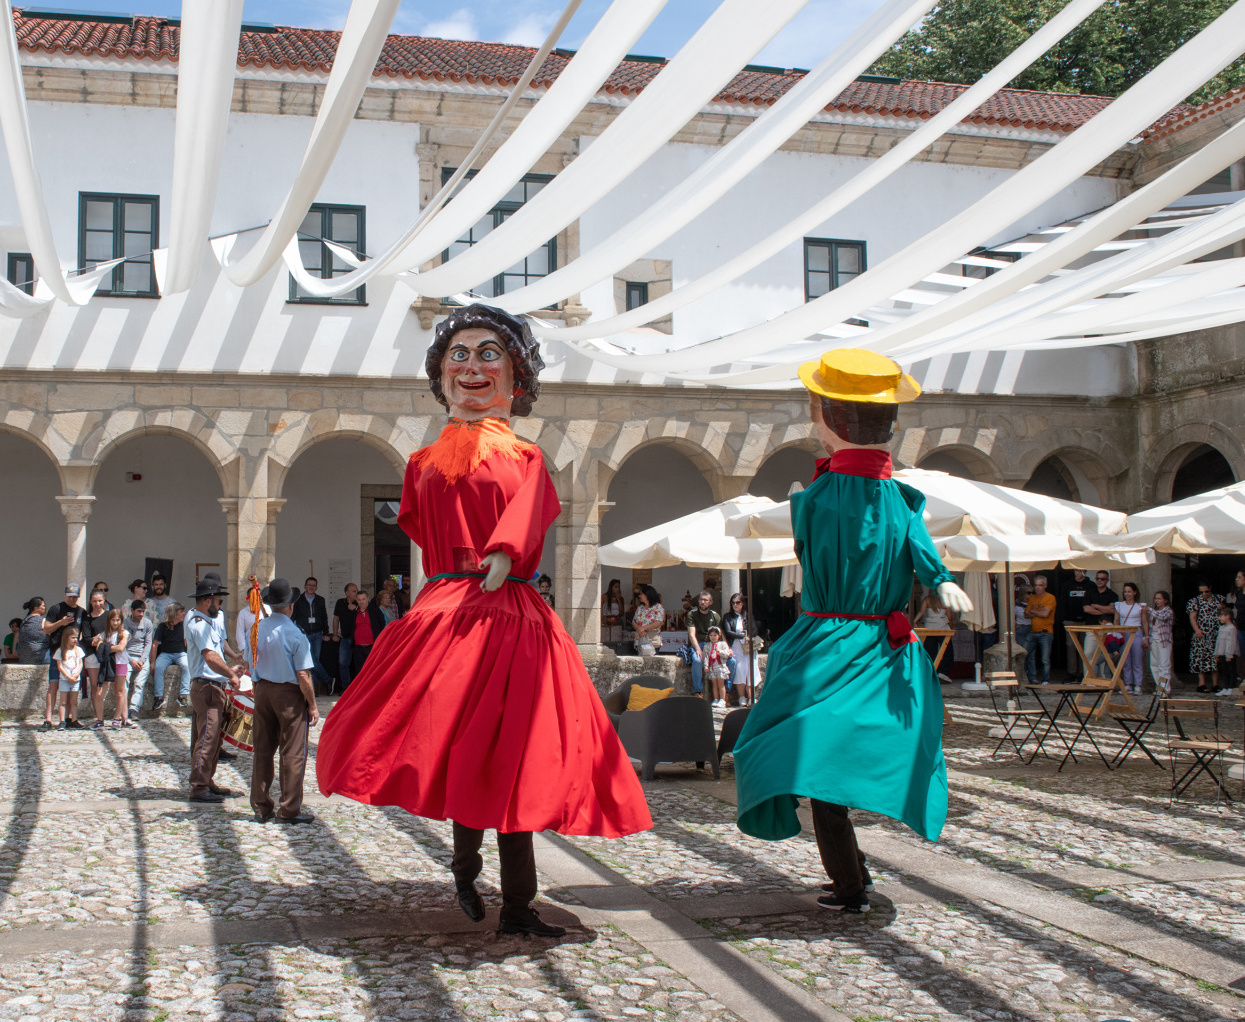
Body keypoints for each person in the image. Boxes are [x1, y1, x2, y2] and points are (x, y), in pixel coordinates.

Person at [317, 302, 651, 938]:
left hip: (509, 612)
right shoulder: (419, 464)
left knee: (514, 756)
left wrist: (501, 550)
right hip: (450, 608)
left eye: (488, 354)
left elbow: (529, 512)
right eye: (459, 355)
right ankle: (469, 870)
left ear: (516, 378)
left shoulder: (525, 456)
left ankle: (517, 904)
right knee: (460, 747)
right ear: (441, 375)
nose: (471, 366)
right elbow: (421, 527)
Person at [733, 348, 972, 915]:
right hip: (869, 648)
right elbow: (917, 549)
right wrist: (939, 581)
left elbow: (905, 549)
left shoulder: (813, 501)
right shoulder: (897, 499)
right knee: (814, 765)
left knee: (797, 761)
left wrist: (938, 578)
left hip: (827, 648)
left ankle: (850, 883)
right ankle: (851, 877)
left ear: (824, 417)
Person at [249, 578, 320, 825]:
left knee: (263, 750)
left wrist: (258, 687)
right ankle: (289, 808)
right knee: (292, 753)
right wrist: (312, 704)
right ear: (290, 606)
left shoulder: (257, 629)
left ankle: (261, 806)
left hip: (263, 690)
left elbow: (252, 664)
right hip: (288, 694)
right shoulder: (295, 634)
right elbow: (303, 675)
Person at [184, 576, 243, 803]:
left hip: (211, 685)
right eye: (218, 602)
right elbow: (209, 656)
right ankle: (199, 787)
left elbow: (216, 653)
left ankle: (207, 781)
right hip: (206, 687)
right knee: (208, 738)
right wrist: (230, 674)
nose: (220, 607)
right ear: (208, 601)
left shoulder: (206, 623)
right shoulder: (199, 625)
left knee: (213, 737)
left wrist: (229, 669)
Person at [43, 585, 84, 728]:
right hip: (57, 652)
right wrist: (61, 622)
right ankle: (48, 719)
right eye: (69, 596)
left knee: (71, 688)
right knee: (53, 685)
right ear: (65, 595)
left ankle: (68, 719)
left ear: (78, 596)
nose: (72, 598)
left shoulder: (81, 611)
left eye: (75, 596)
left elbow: (83, 633)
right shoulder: (56, 609)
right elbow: (46, 629)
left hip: (73, 654)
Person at [688, 590, 733, 697]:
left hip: (714, 645)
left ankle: (726, 692)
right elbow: (691, 634)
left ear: (710, 602)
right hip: (698, 644)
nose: (703, 602)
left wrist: (727, 648)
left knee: (733, 661)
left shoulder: (715, 616)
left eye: (705, 600)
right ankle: (698, 691)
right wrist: (698, 649)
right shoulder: (692, 614)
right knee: (697, 660)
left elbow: (720, 635)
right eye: (701, 600)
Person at [290, 576, 331, 691]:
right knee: (310, 660)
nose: (311, 587)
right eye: (309, 585)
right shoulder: (298, 600)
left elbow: (324, 617)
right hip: (304, 635)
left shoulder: (320, 600)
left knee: (314, 660)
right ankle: (326, 679)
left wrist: (326, 632)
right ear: (305, 586)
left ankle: (313, 684)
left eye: (313, 586)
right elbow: (293, 617)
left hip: (317, 634)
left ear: (316, 588)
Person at [1110, 583, 1148, 695]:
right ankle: (1128, 684)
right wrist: (1116, 634)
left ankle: (1138, 685)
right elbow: (1116, 621)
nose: (1127, 594)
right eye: (1125, 592)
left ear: (1135, 592)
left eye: (1129, 591)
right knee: (1125, 659)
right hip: (1123, 633)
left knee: (1137, 658)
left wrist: (1146, 636)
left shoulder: (1140, 606)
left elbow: (1144, 621)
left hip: (1136, 632)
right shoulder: (1119, 605)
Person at [79, 589, 110, 726]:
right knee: (94, 685)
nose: (97, 603)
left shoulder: (109, 615)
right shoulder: (87, 618)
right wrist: (95, 640)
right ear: (90, 602)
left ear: (104, 601)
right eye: (94, 601)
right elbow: (85, 638)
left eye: (100, 601)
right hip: (92, 655)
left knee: (105, 687)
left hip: (107, 654)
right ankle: (99, 717)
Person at [97, 608, 132, 728]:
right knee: (101, 692)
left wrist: (105, 647)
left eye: (118, 620)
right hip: (108, 664)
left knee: (120, 691)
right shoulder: (104, 634)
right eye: (113, 620)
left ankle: (117, 718)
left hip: (121, 663)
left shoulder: (124, 633)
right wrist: (109, 647)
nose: (115, 623)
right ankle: (99, 719)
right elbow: (98, 648)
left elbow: (121, 648)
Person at [151, 602, 189, 712]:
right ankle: (158, 697)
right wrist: (152, 662)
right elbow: (155, 644)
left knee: (187, 665)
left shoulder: (184, 626)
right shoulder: (162, 626)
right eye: (181, 612)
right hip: (166, 653)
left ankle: (183, 695)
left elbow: (188, 642)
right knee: (158, 667)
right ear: (174, 614)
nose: (183, 613)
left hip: (180, 653)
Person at [1082, 571, 1119, 680]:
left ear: (1107, 580)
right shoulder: (1089, 592)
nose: (1099, 581)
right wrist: (1104, 610)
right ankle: (1089, 680)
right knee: (1088, 653)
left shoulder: (1112, 595)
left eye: (1102, 579)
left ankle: (1103, 682)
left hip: (1106, 629)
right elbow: (1086, 609)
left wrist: (1096, 606)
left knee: (1104, 656)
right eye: (1097, 578)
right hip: (1091, 627)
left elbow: (1112, 610)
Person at [1186, 581, 1221, 693]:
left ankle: (1216, 684)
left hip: (1215, 633)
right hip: (1201, 633)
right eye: (1201, 592)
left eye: (1206, 591)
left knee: (1215, 659)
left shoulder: (1219, 599)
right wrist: (1197, 630)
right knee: (1200, 658)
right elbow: (1193, 617)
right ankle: (1202, 684)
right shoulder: (1195, 601)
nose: (1204, 594)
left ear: (1210, 589)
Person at [123, 600, 154, 719]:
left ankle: (134, 709)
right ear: (132, 611)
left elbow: (148, 644)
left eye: (143, 611)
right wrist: (131, 660)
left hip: (142, 658)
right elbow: (122, 646)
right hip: (128, 657)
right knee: (125, 682)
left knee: (139, 683)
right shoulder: (125, 623)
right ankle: (123, 709)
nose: (141, 614)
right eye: (139, 611)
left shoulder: (147, 623)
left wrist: (141, 660)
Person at [1024, 575, 1057, 686]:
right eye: (1036, 585)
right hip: (1033, 631)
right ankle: (1030, 677)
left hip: (1045, 632)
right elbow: (1026, 614)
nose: (1038, 588)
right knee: (1024, 654)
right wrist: (1037, 612)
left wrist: (1033, 612)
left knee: (1045, 659)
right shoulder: (1032, 598)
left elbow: (1045, 613)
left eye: (1040, 585)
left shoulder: (1050, 597)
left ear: (1045, 586)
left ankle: (1045, 680)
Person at [723, 593, 753, 706]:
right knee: (739, 671)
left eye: (738, 602)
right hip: (735, 646)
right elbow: (728, 631)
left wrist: (749, 637)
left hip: (747, 647)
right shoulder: (728, 616)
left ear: (742, 603)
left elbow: (754, 629)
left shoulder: (748, 616)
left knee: (750, 671)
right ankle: (741, 697)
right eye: (733, 603)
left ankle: (751, 697)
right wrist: (742, 636)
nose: (735, 605)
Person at [53, 626, 85, 731]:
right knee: (63, 701)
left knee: (74, 701)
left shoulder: (78, 650)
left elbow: (80, 664)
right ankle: (62, 721)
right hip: (64, 679)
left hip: (75, 679)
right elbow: (60, 666)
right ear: (66, 638)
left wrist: (76, 675)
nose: (75, 640)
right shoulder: (60, 651)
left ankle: (74, 720)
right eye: (73, 637)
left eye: (76, 637)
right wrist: (67, 676)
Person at [348, 589, 386, 676]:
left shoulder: (374, 610)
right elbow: (350, 626)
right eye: (359, 600)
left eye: (363, 599)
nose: (361, 602)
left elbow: (382, 622)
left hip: (372, 646)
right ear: (356, 600)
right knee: (359, 671)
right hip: (358, 647)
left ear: (368, 599)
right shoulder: (354, 612)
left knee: (372, 670)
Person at [1061, 569, 1090, 680]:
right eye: (1076, 571)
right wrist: (1064, 618)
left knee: (1084, 647)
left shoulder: (1090, 585)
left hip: (1085, 621)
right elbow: (1063, 601)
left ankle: (1083, 672)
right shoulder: (1067, 584)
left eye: (1080, 571)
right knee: (1071, 646)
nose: (1078, 574)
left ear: (1085, 572)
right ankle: (1072, 672)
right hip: (1070, 620)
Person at [331, 583, 359, 689]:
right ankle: (346, 687)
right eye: (354, 591)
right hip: (345, 638)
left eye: (356, 590)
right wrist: (334, 634)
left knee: (358, 663)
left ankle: (358, 688)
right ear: (347, 593)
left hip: (358, 639)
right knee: (343, 663)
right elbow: (336, 618)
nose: (356, 593)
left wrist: (356, 608)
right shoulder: (340, 603)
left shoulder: (360, 603)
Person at [1149, 590, 1174, 697]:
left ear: (1165, 600)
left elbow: (1162, 617)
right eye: (1156, 598)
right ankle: (1159, 687)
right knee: (1154, 664)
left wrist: (1149, 610)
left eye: (1159, 599)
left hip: (1164, 640)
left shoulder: (1168, 611)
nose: (1157, 601)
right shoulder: (1154, 611)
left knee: (1164, 665)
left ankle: (1165, 689)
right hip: (1154, 639)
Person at [1213, 603, 1239, 696]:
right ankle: (1226, 687)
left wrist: (1229, 654)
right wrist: (1217, 653)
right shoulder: (1222, 628)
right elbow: (1219, 641)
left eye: (1221, 616)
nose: (1219, 618)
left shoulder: (1232, 628)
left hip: (1230, 654)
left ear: (1227, 616)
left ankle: (1231, 687)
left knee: (1231, 670)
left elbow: (1231, 642)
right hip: (1222, 653)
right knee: (1225, 671)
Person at [631, 584, 665, 656]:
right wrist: (639, 630)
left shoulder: (658, 607)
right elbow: (634, 621)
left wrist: (643, 628)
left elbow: (659, 622)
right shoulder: (640, 608)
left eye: (641, 594)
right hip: (641, 639)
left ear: (647, 595)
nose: (639, 596)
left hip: (652, 640)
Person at [704, 626, 733, 707]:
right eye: (711, 635)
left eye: (715, 635)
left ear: (719, 636)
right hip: (712, 667)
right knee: (714, 684)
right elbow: (706, 656)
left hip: (720, 666)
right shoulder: (707, 645)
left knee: (721, 684)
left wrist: (719, 651)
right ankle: (716, 699)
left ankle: (722, 700)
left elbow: (727, 654)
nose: (713, 637)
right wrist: (706, 666)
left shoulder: (722, 644)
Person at [601, 579, 624, 646]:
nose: (617, 589)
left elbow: (622, 612)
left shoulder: (621, 598)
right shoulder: (604, 597)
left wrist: (618, 600)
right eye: (615, 587)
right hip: (607, 619)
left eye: (619, 587)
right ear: (611, 587)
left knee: (616, 636)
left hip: (617, 619)